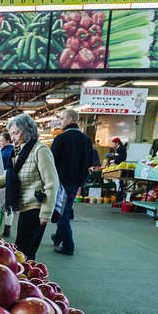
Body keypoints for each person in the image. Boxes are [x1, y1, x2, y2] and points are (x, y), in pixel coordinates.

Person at [0, 114, 58, 261]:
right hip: (26, 208)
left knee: (25, 251)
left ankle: (26, 279)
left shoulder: (40, 151)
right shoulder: (22, 151)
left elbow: (52, 183)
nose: (12, 137)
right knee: (22, 249)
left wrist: (46, 213)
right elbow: (9, 176)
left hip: (36, 208)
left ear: (27, 131)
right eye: (11, 134)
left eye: (15, 133)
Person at [50, 108, 93, 256]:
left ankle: (68, 245)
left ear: (70, 120)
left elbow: (51, 161)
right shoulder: (86, 140)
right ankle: (58, 237)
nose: (60, 121)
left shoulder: (61, 138)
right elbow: (89, 162)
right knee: (65, 208)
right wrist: (82, 182)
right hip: (76, 182)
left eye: (62, 119)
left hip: (62, 181)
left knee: (63, 212)